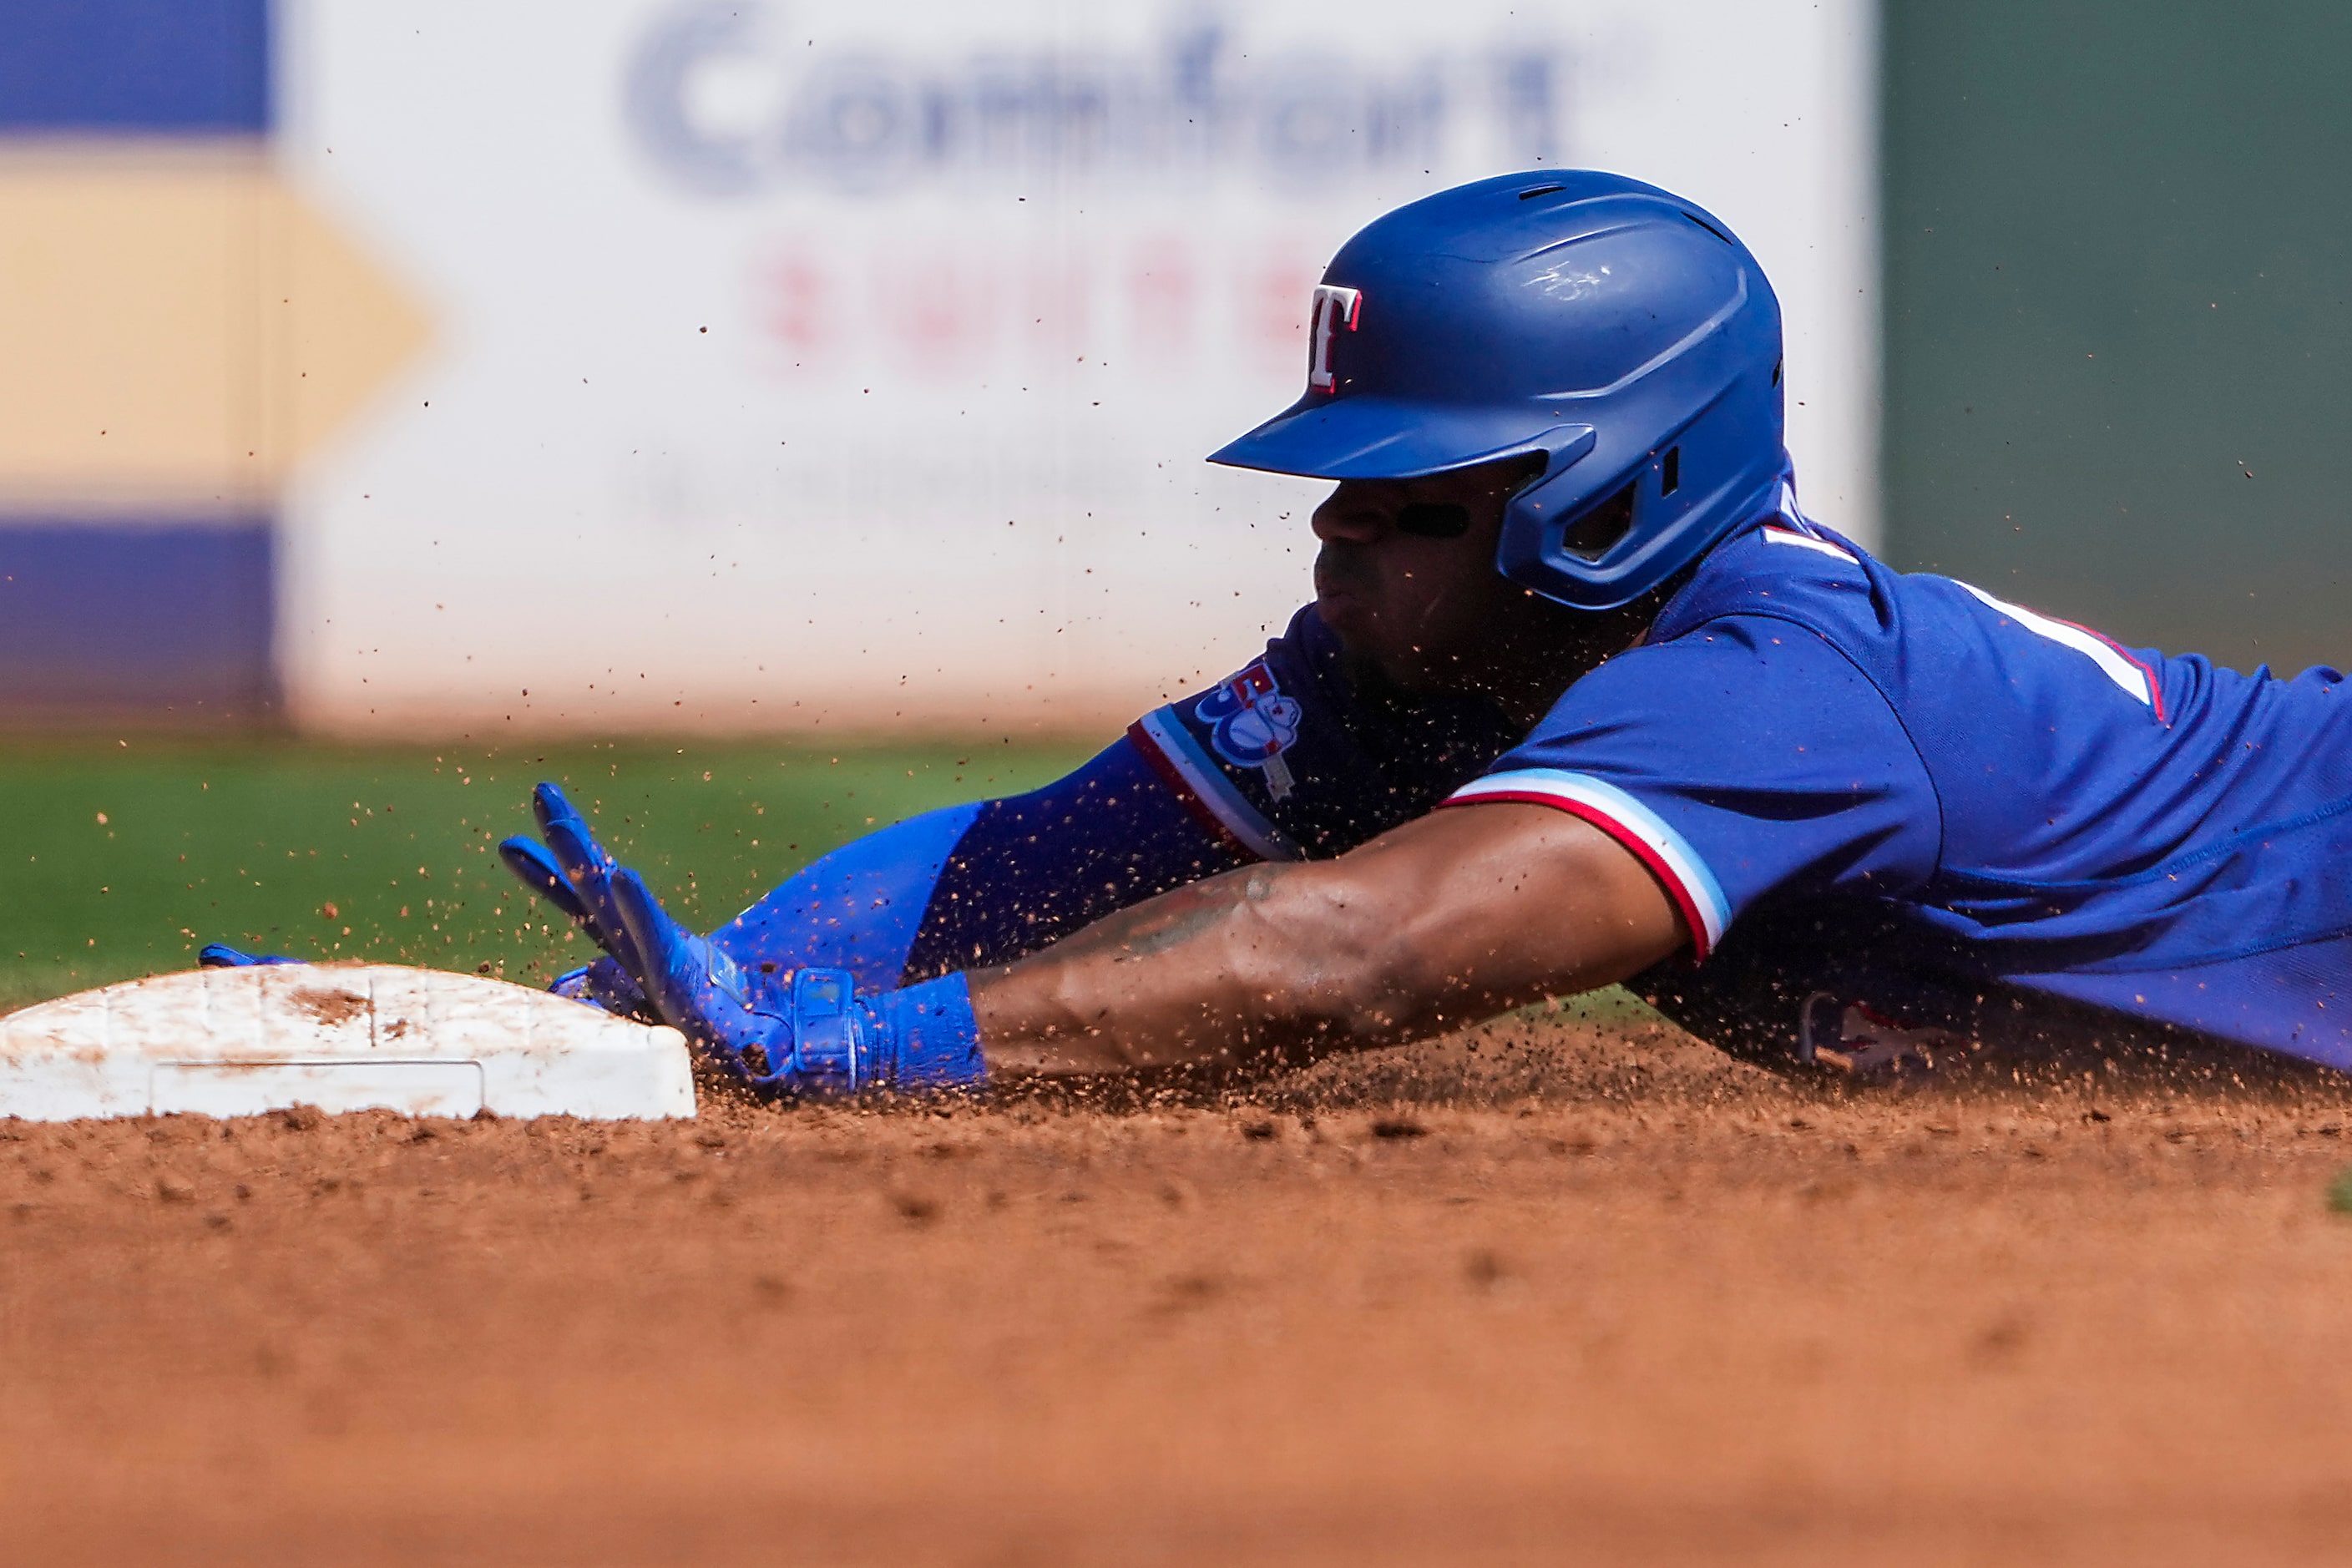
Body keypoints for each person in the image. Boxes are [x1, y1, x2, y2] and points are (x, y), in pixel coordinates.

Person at [219, 169, 2352, 1094]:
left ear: (1603, 497)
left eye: (1412, 495)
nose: (1336, 537)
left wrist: (848, 1066)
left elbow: (1340, 959)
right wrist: (674, 1014)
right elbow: (1028, 867)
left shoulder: (1760, 692)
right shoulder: (1437, 659)